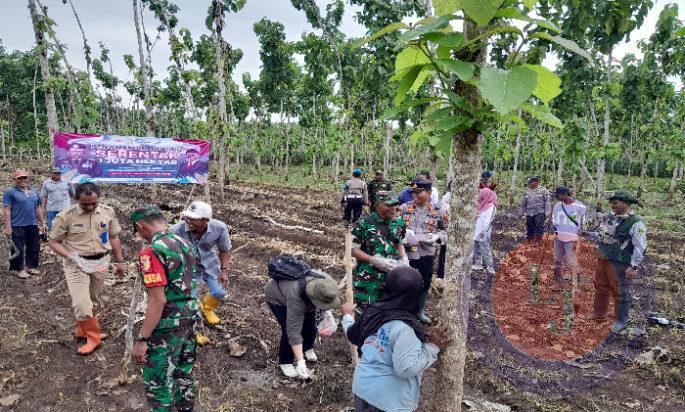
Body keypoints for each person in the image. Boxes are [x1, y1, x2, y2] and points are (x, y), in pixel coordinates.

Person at [342, 266, 452, 412]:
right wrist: (433, 348)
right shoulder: (405, 328)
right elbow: (406, 369)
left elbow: (353, 334)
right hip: (388, 400)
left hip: (362, 389)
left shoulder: (372, 311)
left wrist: (347, 317)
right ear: (417, 293)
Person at [129, 205, 201, 412]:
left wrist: (142, 339)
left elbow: (158, 300)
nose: (141, 237)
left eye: (138, 232)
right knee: (182, 373)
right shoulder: (183, 242)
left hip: (168, 325)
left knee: (158, 382)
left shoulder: (152, 250)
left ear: (139, 226)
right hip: (191, 317)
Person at [49, 182, 126, 355]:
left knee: (93, 300)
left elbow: (114, 236)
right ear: (76, 199)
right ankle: (94, 338)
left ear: (99, 198)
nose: (90, 207)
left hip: (100, 262)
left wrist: (120, 261)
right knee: (81, 303)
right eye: (85, 204)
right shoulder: (65, 216)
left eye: (94, 203)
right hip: (76, 264)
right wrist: (71, 257)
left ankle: (83, 329)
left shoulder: (108, 212)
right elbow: (54, 242)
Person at [583, 190, 647, 333]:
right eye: (611, 203)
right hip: (604, 257)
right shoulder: (610, 218)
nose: (612, 205)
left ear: (626, 203)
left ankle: (621, 321)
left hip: (620, 261)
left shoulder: (636, 223)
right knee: (600, 286)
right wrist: (588, 234)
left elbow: (641, 245)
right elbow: (603, 235)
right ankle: (599, 313)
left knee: (620, 292)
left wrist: (634, 266)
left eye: (616, 202)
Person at [264, 262, 341, 379]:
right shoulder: (296, 296)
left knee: (310, 327)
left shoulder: (327, 283)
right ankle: (285, 362)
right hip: (278, 299)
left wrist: (328, 314)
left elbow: (327, 298)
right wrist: (301, 362)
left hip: (303, 297)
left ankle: (307, 347)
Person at [170, 201, 232, 326]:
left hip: (209, 264)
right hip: (187, 267)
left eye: (194, 219)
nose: (188, 221)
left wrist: (224, 271)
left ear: (205, 220)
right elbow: (169, 254)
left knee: (220, 291)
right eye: (188, 217)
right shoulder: (176, 231)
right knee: (189, 298)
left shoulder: (219, 228)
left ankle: (207, 308)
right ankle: (194, 325)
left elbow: (224, 250)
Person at [400, 179, 448, 323]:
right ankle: (402, 310)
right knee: (404, 281)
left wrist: (437, 237)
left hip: (426, 253)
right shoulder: (403, 208)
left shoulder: (438, 211)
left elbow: (446, 231)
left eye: (419, 192)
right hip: (406, 253)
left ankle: (419, 311)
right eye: (413, 192)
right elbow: (393, 225)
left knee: (424, 282)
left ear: (429, 193)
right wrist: (402, 232)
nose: (415, 195)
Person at [352, 191, 408, 311]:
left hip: (392, 277)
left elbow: (400, 241)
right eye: (389, 205)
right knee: (365, 314)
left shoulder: (399, 223)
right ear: (377, 205)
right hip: (368, 280)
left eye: (395, 205)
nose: (393, 208)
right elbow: (352, 249)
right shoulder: (363, 223)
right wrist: (373, 260)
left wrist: (404, 257)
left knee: (387, 313)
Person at [3, 169, 46, 279]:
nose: (23, 180)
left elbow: (38, 208)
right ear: (15, 180)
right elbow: (7, 209)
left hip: (32, 224)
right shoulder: (10, 193)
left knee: (34, 246)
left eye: (24, 177)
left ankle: (30, 267)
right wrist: (8, 226)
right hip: (17, 224)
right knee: (18, 247)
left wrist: (42, 223)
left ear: (27, 178)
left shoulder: (34, 192)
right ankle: (19, 269)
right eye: (20, 178)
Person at [551, 186, 586, 283]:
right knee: (557, 258)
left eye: (558, 195)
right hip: (559, 236)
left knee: (570, 260)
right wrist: (552, 223)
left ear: (565, 194)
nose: (557, 197)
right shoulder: (557, 206)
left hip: (571, 238)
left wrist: (579, 236)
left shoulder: (580, 206)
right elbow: (555, 221)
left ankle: (576, 278)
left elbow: (583, 223)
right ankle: (557, 278)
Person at [471, 187, 498, 276]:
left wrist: (483, 231)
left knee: (485, 248)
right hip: (478, 229)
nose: (479, 196)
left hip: (484, 231)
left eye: (481, 195)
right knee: (476, 246)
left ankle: (490, 268)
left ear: (486, 195)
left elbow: (488, 221)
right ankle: (477, 264)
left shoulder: (491, 206)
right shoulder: (481, 204)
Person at [41, 167, 74, 231]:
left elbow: (72, 195)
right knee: (51, 228)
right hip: (51, 209)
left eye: (59, 173)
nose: (58, 174)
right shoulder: (46, 183)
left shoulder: (67, 182)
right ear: (52, 174)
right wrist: (43, 208)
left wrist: (73, 207)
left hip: (64, 209)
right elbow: (44, 196)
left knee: (64, 228)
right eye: (56, 173)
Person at [521, 176, 550, 242]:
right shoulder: (527, 191)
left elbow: (547, 202)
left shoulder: (543, 190)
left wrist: (547, 213)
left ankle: (538, 241)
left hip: (539, 212)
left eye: (531, 182)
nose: (529, 184)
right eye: (529, 182)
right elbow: (523, 203)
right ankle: (530, 240)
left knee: (539, 226)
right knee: (530, 227)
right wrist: (522, 213)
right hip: (529, 212)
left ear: (536, 182)